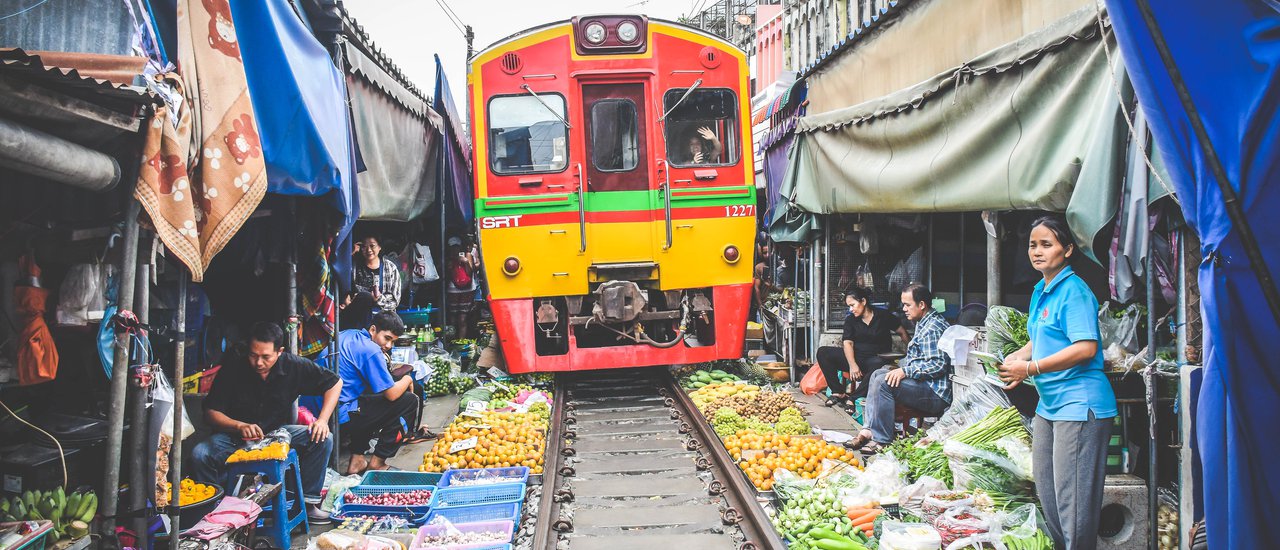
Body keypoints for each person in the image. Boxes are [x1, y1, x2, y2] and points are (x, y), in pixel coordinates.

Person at [997, 215, 1117, 550]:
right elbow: (1039, 337)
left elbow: (1085, 347)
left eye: (1046, 244)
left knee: (1073, 504)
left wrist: (1030, 368)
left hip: (1080, 405)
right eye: (1033, 245)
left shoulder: (1074, 290)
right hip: (1049, 406)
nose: (1037, 251)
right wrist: (1017, 357)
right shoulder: (1042, 290)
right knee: (1049, 496)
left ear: (1066, 249)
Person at [191, 322, 341, 524]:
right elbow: (210, 412)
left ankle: (307, 504)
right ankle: (215, 510)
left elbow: (334, 382)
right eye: (253, 355)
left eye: (265, 357)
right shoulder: (234, 368)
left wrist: (322, 420)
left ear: (279, 352)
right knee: (200, 454)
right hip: (233, 437)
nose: (258, 362)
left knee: (323, 438)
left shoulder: (293, 366)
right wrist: (239, 426)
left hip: (274, 435)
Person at [845, 284, 951, 452]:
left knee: (882, 382)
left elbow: (937, 365)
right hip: (923, 385)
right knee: (878, 373)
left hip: (934, 393)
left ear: (921, 305)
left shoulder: (933, 327)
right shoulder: (923, 322)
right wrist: (900, 368)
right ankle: (868, 429)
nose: (904, 309)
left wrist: (905, 371)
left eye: (908, 305)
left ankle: (882, 440)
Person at [325, 311, 429, 474]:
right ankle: (378, 462)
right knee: (409, 401)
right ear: (373, 330)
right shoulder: (371, 350)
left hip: (325, 409)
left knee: (369, 398)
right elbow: (392, 394)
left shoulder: (347, 334)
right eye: (387, 338)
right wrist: (408, 380)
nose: (389, 346)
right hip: (338, 415)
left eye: (393, 342)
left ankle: (357, 459)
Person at [815, 287, 908, 412]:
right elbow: (847, 343)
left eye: (853, 305)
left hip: (876, 359)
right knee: (823, 352)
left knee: (879, 365)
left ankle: (853, 398)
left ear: (863, 301)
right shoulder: (851, 320)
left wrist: (911, 352)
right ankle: (838, 392)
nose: (851, 309)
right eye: (849, 306)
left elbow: (902, 332)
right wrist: (852, 365)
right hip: (856, 357)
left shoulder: (883, 316)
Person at [353, 236, 402, 311]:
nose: (368, 250)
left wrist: (378, 299)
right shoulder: (354, 267)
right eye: (364, 246)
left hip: (383, 316)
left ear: (379, 247)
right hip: (360, 315)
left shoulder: (391, 268)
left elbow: (395, 301)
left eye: (372, 246)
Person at [446, 236, 477, 339]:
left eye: (457, 247)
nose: (455, 249)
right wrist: (450, 267)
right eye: (453, 247)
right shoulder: (449, 259)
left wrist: (466, 262)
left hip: (467, 289)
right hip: (453, 290)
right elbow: (448, 277)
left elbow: (470, 273)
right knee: (453, 318)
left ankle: (461, 342)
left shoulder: (467, 256)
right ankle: (452, 341)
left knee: (462, 318)